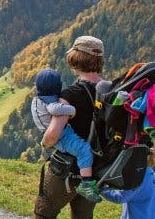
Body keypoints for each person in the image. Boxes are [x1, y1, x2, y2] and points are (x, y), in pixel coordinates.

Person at [33, 35, 107, 219]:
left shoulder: (71, 95)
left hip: (65, 172)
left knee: (45, 215)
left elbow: (54, 134)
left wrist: (45, 142)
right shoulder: (109, 93)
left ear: (75, 59)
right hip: (95, 173)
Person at [31, 69, 102, 203]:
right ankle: (86, 184)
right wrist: (72, 110)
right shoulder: (50, 103)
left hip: (62, 133)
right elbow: (55, 109)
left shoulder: (38, 99)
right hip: (61, 136)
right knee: (84, 150)